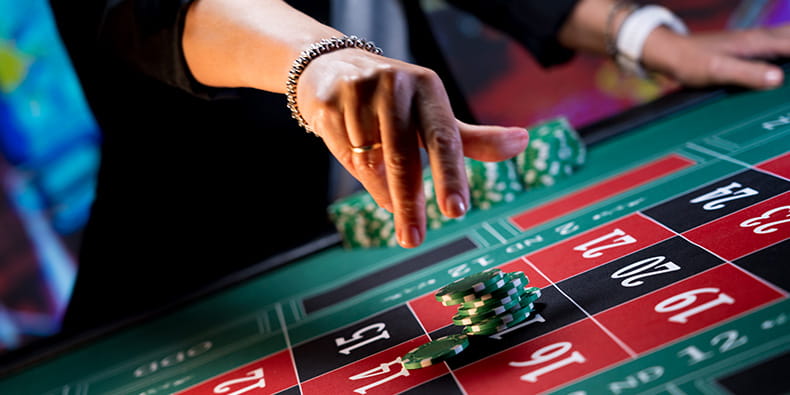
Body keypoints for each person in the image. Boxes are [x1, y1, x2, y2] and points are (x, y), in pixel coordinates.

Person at [48, 0, 790, 334]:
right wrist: (322, 62)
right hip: (215, 265)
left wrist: (639, 33)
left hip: (440, 193)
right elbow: (158, 13)